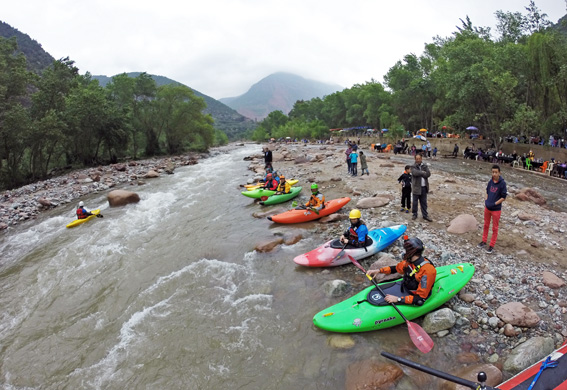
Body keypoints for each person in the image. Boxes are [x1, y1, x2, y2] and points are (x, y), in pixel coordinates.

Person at [367, 237, 436, 305]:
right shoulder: (410, 261)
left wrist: (398, 299)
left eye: (406, 251)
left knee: (419, 302)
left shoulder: (427, 271)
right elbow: (396, 268)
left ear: (411, 252)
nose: (404, 253)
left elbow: (420, 298)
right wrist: (379, 270)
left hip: (414, 295)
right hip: (405, 287)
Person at [478, 165, 507, 253]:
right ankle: (484, 241)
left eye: (496, 172)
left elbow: (503, 197)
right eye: (493, 172)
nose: (494, 174)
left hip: (496, 209)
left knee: (495, 228)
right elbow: (487, 191)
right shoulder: (490, 181)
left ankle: (491, 245)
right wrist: (487, 201)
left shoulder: (502, 183)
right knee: (486, 225)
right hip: (488, 207)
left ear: (499, 173)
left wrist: (495, 203)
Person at [411, 154, 432, 222]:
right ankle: (414, 214)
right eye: (417, 159)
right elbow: (414, 173)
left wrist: (421, 173)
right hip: (416, 187)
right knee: (415, 202)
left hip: (424, 187)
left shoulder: (425, 166)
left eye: (419, 158)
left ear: (421, 158)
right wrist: (423, 173)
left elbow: (428, 174)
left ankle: (425, 215)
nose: (418, 160)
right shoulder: (413, 166)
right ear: (415, 159)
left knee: (424, 202)